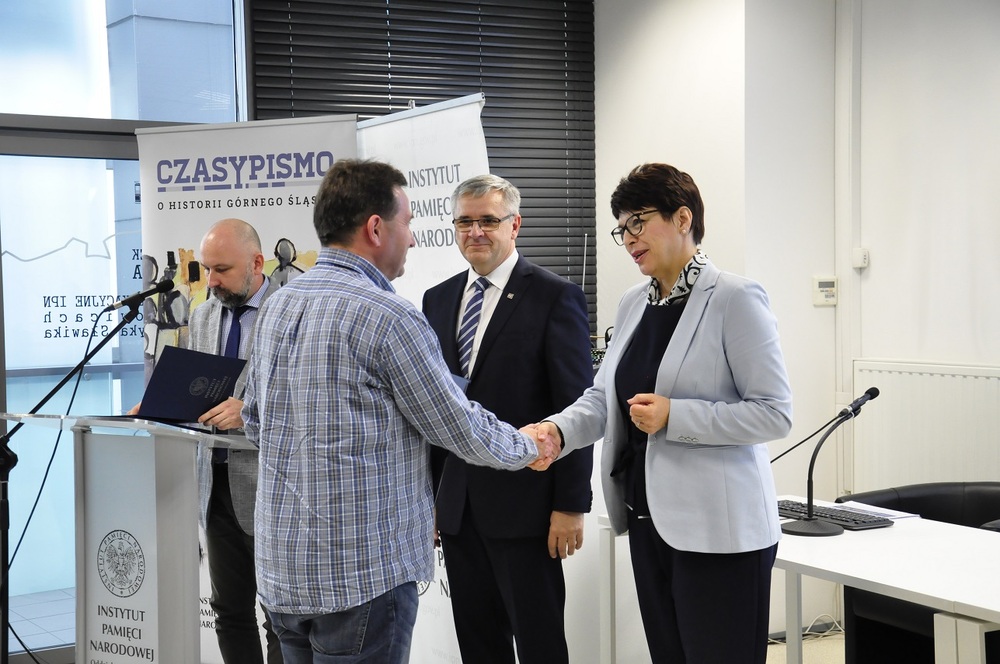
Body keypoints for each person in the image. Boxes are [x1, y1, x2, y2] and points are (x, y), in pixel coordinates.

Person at [241, 158, 558, 664]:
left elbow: (254, 420)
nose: (411, 238)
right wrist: (530, 445)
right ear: (375, 228)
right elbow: (458, 426)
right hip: (361, 580)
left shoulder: (278, 305)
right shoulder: (389, 315)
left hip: (284, 573)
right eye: (407, 223)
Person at [535, 163, 793, 663]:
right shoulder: (634, 303)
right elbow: (604, 397)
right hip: (648, 520)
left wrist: (677, 416)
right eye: (622, 228)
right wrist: (556, 431)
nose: (629, 238)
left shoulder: (736, 298)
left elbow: (773, 413)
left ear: (682, 218)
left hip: (720, 533)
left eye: (638, 221)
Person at [421, 174, 594, 664]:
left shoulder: (555, 296)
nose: (475, 232)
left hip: (528, 511)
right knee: (478, 646)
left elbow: (577, 407)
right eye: (464, 222)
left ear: (514, 225)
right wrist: (429, 500)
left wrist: (570, 504)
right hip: (457, 508)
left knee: (540, 645)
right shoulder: (437, 299)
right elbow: (433, 408)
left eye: (488, 221)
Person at [190, 218, 284, 664]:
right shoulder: (202, 314)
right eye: (207, 269)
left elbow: (304, 399)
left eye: (222, 270)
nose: (212, 281)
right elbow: (196, 389)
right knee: (229, 611)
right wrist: (159, 403)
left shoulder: (288, 313)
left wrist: (250, 412)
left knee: (280, 618)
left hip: (271, 487)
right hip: (214, 484)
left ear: (257, 263)